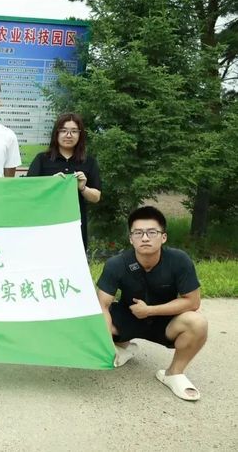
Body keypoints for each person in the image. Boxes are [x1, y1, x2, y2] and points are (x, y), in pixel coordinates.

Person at [96, 206, 208, 401]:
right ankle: (120, 347)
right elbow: (103, 306)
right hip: (128, 317)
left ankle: (174, 373)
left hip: (165, 321)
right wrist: (105, 345)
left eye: (152, 232)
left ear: (163, 237)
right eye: (138, 233)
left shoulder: (179, 260)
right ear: (131, 239)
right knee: (93, 319)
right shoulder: (116, 264)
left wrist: (149, 310)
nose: (145, 238)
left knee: (197, 323)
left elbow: (193, 301)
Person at [26, 113, 101, 251]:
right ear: (56, 133)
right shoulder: (42, 159)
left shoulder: (89, 162)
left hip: (75, 224)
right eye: (64, 130)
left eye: (74, 131)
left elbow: (96, 197)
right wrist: (51, 183)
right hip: (45, 223)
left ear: (80, 135)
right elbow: (29, 191)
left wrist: (83, 188)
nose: (68, 135)